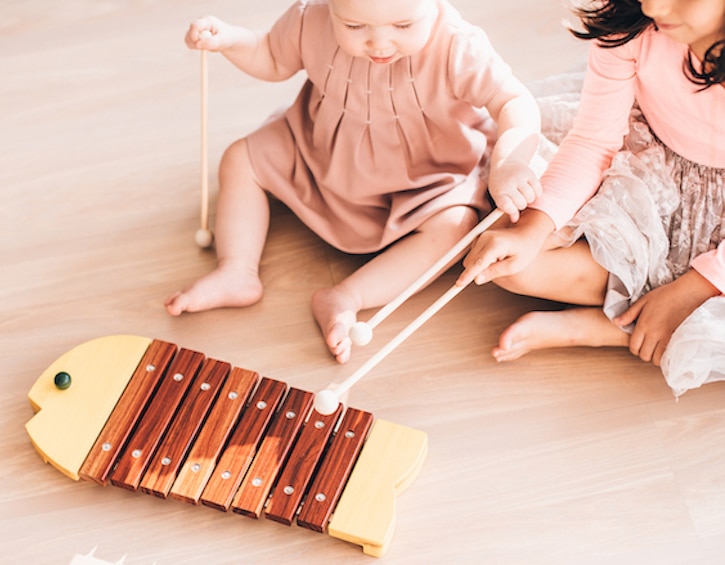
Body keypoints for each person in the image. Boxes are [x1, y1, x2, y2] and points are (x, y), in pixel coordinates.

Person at [165, 0, 543, 363]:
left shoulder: (457, 45)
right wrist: (231, 39)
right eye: (354, 26)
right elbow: (271, 56)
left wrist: (509, 161)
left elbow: (512, 100)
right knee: (240, 158)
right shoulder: (309, 21)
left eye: (403, 25)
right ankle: (236, 269)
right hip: (321, 151)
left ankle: (347, 296)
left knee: (455, 228)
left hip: (427, 178)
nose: (380, 43)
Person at [459, 0, 725, 396]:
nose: (653, 6)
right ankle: (652, 320)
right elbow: (592, 142)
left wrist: (700, 285)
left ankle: (611, 329)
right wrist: (533, 230)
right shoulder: (633, 18)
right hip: (655, 168)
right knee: (513, 261)